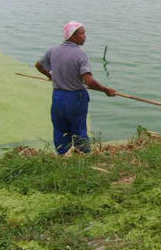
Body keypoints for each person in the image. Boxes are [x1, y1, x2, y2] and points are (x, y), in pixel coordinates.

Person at [35, 21, 116, 154]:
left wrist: (52, 76)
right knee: (79, 131)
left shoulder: (53, 51)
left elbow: (39, 66)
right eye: (82, 33)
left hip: (58, 97)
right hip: (75, 98)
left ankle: (63, 157)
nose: (85, 36)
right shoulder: (80, 55)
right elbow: (88, 81)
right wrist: (106, 90)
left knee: (60, 130)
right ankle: (83, 157)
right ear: (73, 35)